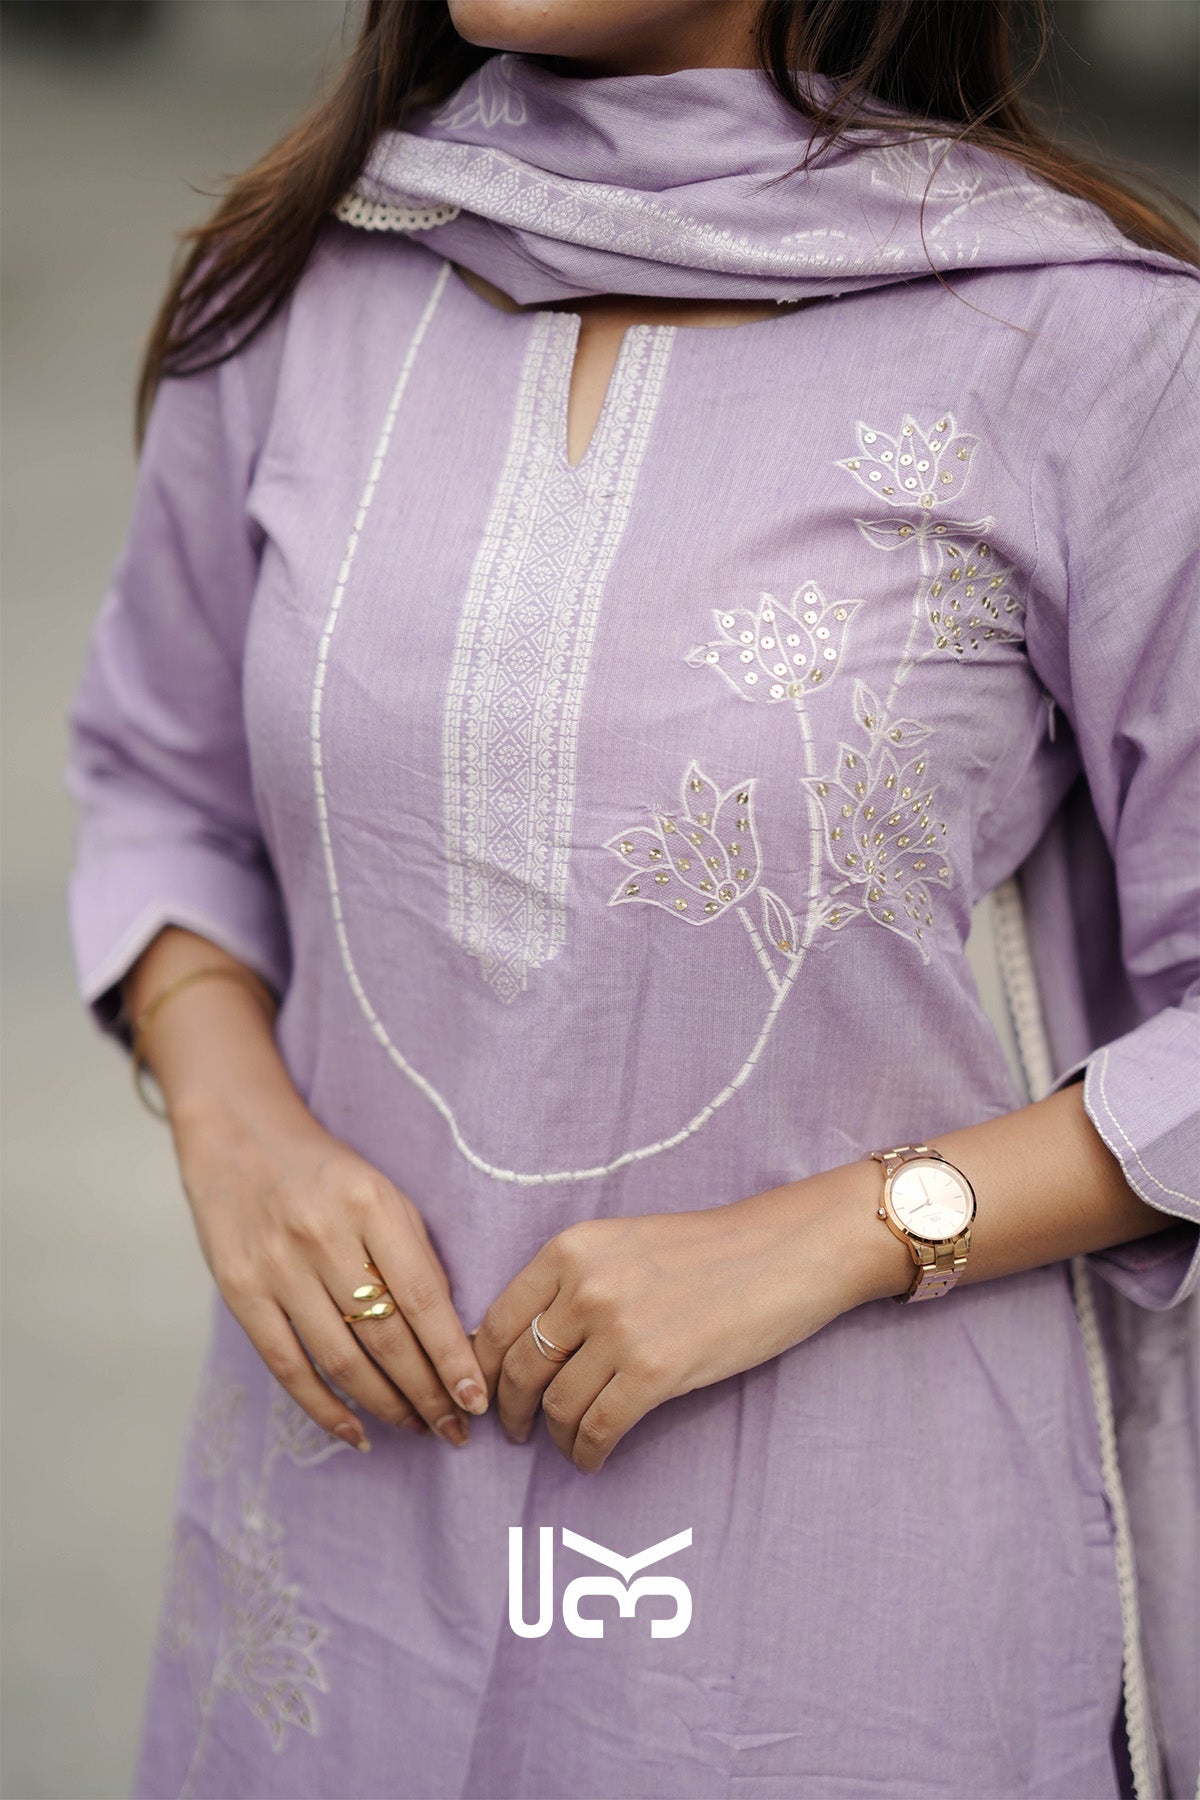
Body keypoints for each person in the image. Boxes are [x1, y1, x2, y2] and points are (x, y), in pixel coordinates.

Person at [64, 1, 1200, 1795]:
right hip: (341, 1529)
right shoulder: (302, 279)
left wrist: (850, 1230)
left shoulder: (1088, 345)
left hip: (837, 1593)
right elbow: (160, 782)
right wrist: (235, 1124)